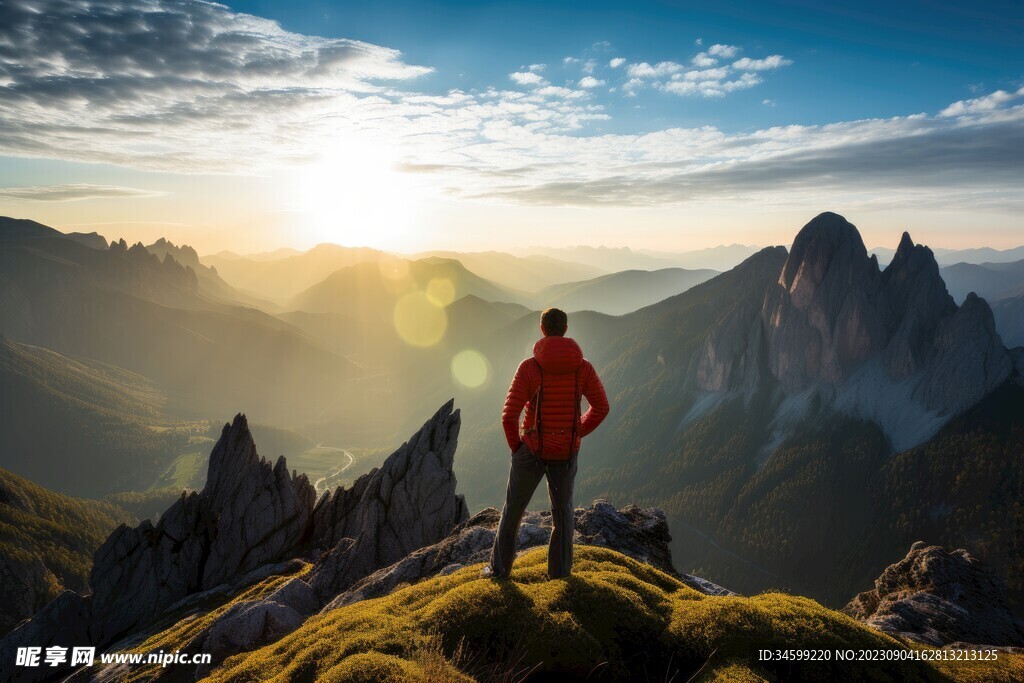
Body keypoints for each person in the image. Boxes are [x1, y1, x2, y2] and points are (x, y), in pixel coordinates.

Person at [485, 307, 610, 580]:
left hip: (531, 450)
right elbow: (601, 407)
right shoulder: (583, 368)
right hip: (565, 453)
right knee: (563, 516)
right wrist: (576, 433)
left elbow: (509, 416)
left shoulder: (529, 368)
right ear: (565, 329)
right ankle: (560, 576)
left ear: (542, 329)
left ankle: (498, 571)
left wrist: (517, 448)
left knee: (512, 512)